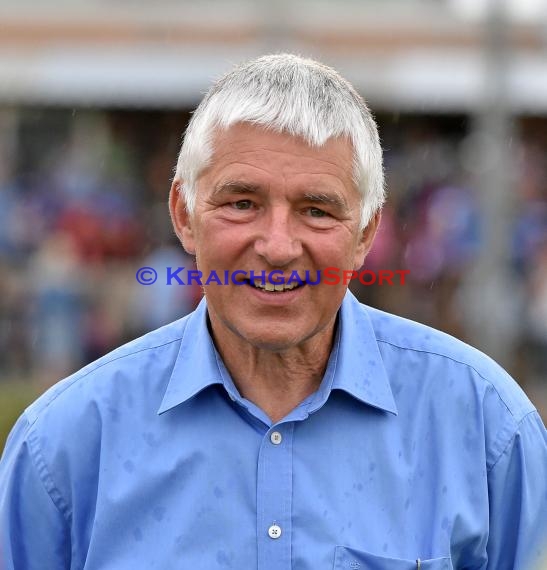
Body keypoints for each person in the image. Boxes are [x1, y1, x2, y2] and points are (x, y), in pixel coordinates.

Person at [1, 54, 546, 570]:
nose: (278, 246)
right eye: (242, 203)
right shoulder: (64, 446)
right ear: (184, 216)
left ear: (366, 234)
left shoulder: (484, 427)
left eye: (316, 210)